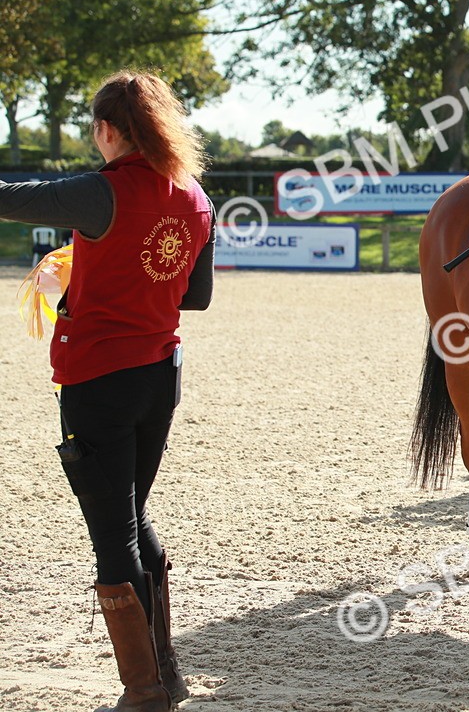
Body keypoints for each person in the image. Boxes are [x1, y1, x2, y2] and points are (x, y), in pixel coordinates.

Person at [0, 70, 215, 711]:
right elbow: (195, 296)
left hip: (99, 378)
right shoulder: (195, 194)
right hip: (160, 374)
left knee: (113, 533)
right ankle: (164, 673)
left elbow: (11, 197)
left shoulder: (101, 192)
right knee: (131, 514)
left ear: (106, 130)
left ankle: (145, 691)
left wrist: (96, 272)